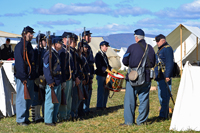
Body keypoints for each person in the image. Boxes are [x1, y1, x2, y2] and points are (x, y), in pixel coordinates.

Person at [121, 29, 155, 126]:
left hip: (133, 76)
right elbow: (153, 62)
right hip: (147, 77)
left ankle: (129, 122)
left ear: (136, 37)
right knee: (144, 100)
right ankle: (141, 121)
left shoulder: (132, 47)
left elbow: (125, 62)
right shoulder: (151, 48)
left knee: (130, 100)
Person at [14, 26, 36, 126]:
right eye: (30, 34)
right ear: (25, 34)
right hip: (23, 77)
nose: (32, 35)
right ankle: (20, 119)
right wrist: (23, 77)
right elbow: (19, 63)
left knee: (28, 99)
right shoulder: (20, 46)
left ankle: (25, 117)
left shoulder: (29, 45)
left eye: (32, 34)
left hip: (29, 76)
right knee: (22, 99)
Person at [43, 36, 63, 126]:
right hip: (52, 81)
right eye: (60, 43)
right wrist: (50, 80)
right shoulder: (49, 54)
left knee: (56, 102)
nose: (61, 44)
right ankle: (48, 120)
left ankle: (54, 119)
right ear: (55, 44)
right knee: (50, 102)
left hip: (57, 80)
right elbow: (46, 68)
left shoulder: (56, 53)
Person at [154, 34, 174, 120]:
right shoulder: (160, 50)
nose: (157, 43)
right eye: (156, 41)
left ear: (163, 40)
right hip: (160, 76)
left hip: (165, 76)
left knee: (165, 96)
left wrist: (168, 75)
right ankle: (163, 113)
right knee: (161, 96)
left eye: (158, 41)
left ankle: (163, 115)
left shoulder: (167, 49)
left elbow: (170, 63)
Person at [95, 41, 117, 110]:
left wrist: (111, 69)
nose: (107, 48)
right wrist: (105, 70)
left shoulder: (104, 55)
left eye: (107, 46)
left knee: (106, 91)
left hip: (106, 75)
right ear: (101, 46)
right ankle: (99, 106)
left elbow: (107, 64)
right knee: (101, 91)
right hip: (101, 75)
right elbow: (99, 65)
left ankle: (104, 105)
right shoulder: (98, 55)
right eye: (106, 46)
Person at [58, 32, 74, 121]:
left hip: (70, 76)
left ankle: (67, 114)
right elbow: (62, 67)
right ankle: (63, 115)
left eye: (71, 39)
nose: (71, 40)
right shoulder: (62, 51)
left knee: (69, 98)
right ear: (64, 39)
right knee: (64, 98)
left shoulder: (68, 50)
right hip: (65, 77)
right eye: (69, 38)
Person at [31, 33, 46, 123]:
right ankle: (34, 116)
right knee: (36, 97)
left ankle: (38, 115)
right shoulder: (36, 52)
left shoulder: (44, 51)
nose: (45, 42)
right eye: (44, 40)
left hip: (42, 77)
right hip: (37, 77)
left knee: (41, 98)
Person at [82, 30, 95, 115]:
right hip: (84, 73)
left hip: (89, 73)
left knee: (88, 92)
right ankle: (83, 109)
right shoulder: (82, 46)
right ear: (84, 37)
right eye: (88, 36)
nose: (90, 37)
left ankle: (86, 108)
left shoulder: (88, 47)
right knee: (84, 93)